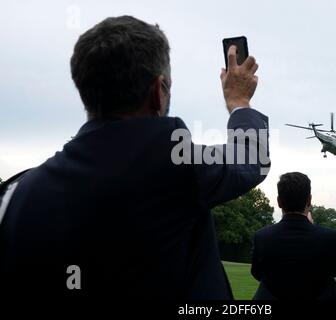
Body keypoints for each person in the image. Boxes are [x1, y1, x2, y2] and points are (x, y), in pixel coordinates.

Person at [0, 16, 269, 299]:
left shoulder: (15, 196)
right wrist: (239, 103)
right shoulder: (180, 168)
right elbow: (251, 159)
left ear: (85, 90)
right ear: (158, 92)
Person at [251, 172, 336, 300]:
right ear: (309, 200)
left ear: (279, 202)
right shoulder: (330, 237)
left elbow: (257, 273)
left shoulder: (261, 237)